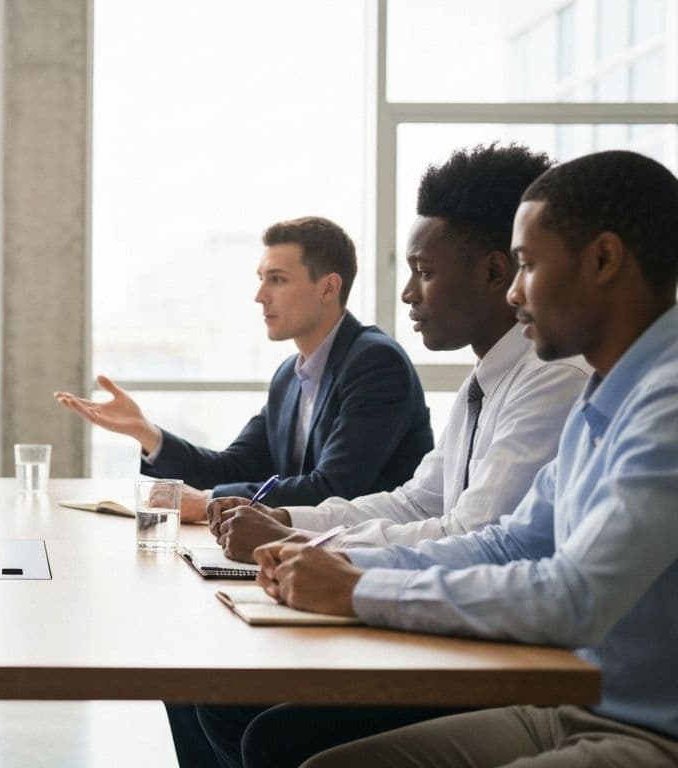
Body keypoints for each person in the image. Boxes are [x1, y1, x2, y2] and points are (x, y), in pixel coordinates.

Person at [170, 144, 592, 768]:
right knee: (203, 689)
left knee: (257, 721)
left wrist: (328, 557)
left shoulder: (550, 379)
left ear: (494, 273)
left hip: (507, 655)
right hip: (451, 603)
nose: (406, 294)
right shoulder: (486, 380)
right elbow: (421, 500)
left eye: (423, 270)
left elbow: (480, 535)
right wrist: (290, 526)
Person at [270, 150, 678, 767]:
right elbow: (507, 544)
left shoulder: (665, 405)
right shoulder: (604, 393)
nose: (515, 292)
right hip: (568, 705)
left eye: (527, 265)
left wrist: (358, 589)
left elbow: (575, 596)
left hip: (649, 732)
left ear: (603, 259)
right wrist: (343, 564)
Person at [56, 216, 433, 515]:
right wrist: (148, 434)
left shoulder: (375, 363)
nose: (260, 295)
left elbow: (333, 489)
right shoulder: (290, 375)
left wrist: (209, 502)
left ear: (328, 288)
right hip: (303, 551)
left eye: (277, 280)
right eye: (261, 279)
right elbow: (233, 469)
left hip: (367, 559)